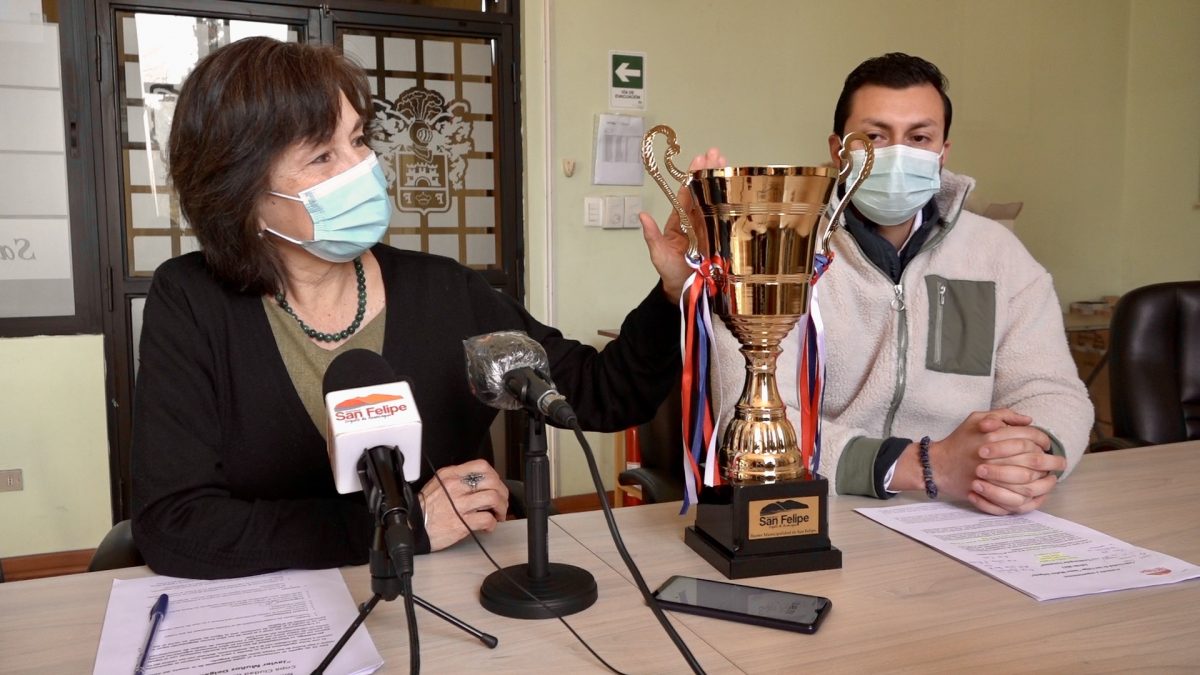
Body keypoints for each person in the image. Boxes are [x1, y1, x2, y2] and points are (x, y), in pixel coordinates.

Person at [130, 37, 701, 579]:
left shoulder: (445, 291)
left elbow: (602, 392)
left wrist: (675, 294)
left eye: (357, 140)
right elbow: (175, 525)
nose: (360, 168)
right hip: (270, 614)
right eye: (323, 156)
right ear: (241, 193)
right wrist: (399, 526)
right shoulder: (191, 301)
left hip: (447, 599)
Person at [705, 53, 1092, 515]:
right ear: (838, 149)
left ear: (943, 151)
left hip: (971, 509)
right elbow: (749, 419)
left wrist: (1024, 459)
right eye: (874, 136)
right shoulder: (774, 249)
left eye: (919, 137)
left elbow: (1052, 391)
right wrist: (923, 466)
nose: (897, 154)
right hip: (821, 507)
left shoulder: (998, 254)